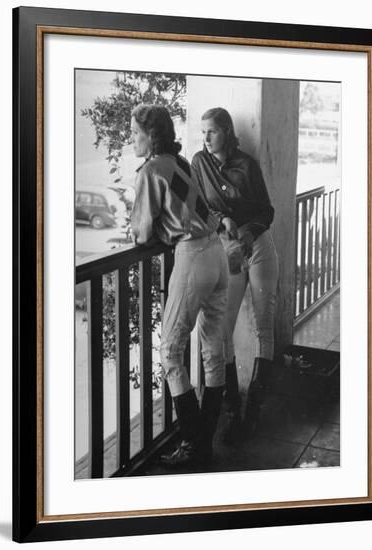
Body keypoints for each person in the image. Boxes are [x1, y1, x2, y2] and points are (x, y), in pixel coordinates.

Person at [130, 104, 229, 467]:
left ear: (152, 137)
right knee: (213, 349)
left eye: (136, 134)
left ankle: (194, 443)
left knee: (170, 351)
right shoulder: (182, 164)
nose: (132, 140)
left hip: (192, 258)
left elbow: (141, 234)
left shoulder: (151, 170)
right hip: (217, 254)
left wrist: (151, 228)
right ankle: (204, 439)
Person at [191, 107, 279, 443]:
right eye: (203, 132)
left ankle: (253, 410)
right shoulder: (200, 162)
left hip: (257, 246)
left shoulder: (247, 165)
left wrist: (245, 230)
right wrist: (222, 221)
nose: (206, 138)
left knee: (263, 324)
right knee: (222, 329)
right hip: (228, 250)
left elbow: (266, 211)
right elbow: (199, 206)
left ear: (227, 131)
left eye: (211, 131)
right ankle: (232, 406)